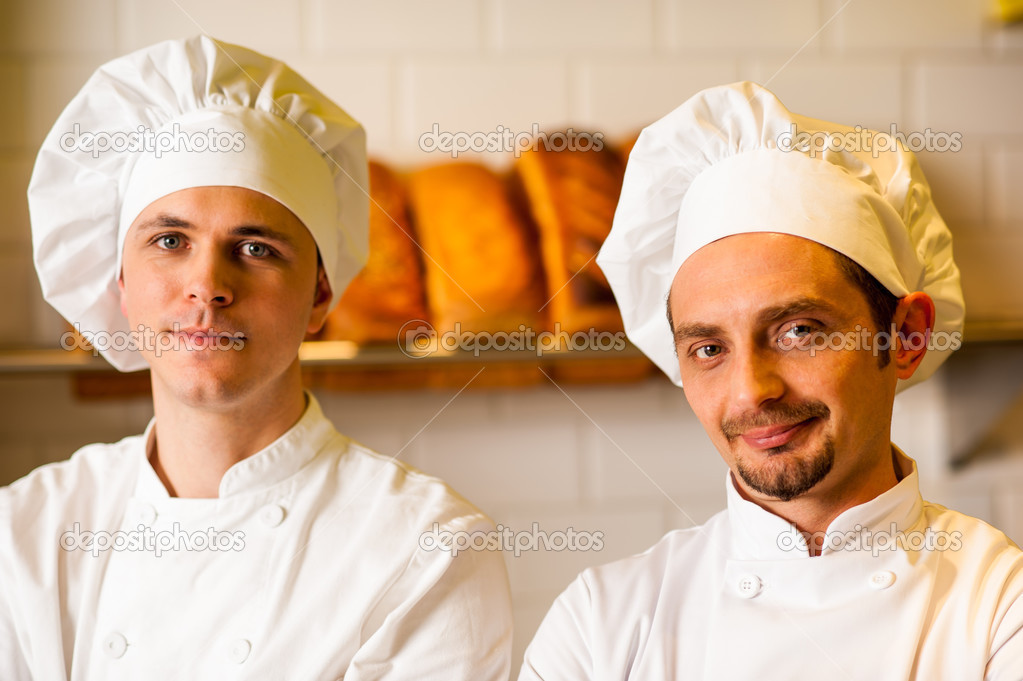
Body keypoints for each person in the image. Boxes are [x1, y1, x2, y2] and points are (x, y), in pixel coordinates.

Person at [1, 35, 512, 680]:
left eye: (256, 248)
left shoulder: (428, 549)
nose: (208, 284)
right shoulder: (24, 535)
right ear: (121, 288)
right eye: (169, 239)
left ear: (320, 295)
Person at [519, 82, 1023, 679]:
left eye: (798, 331)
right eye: (709, 348)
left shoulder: (997, 607)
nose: (751, 391)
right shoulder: (600, 623)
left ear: (907, 335)